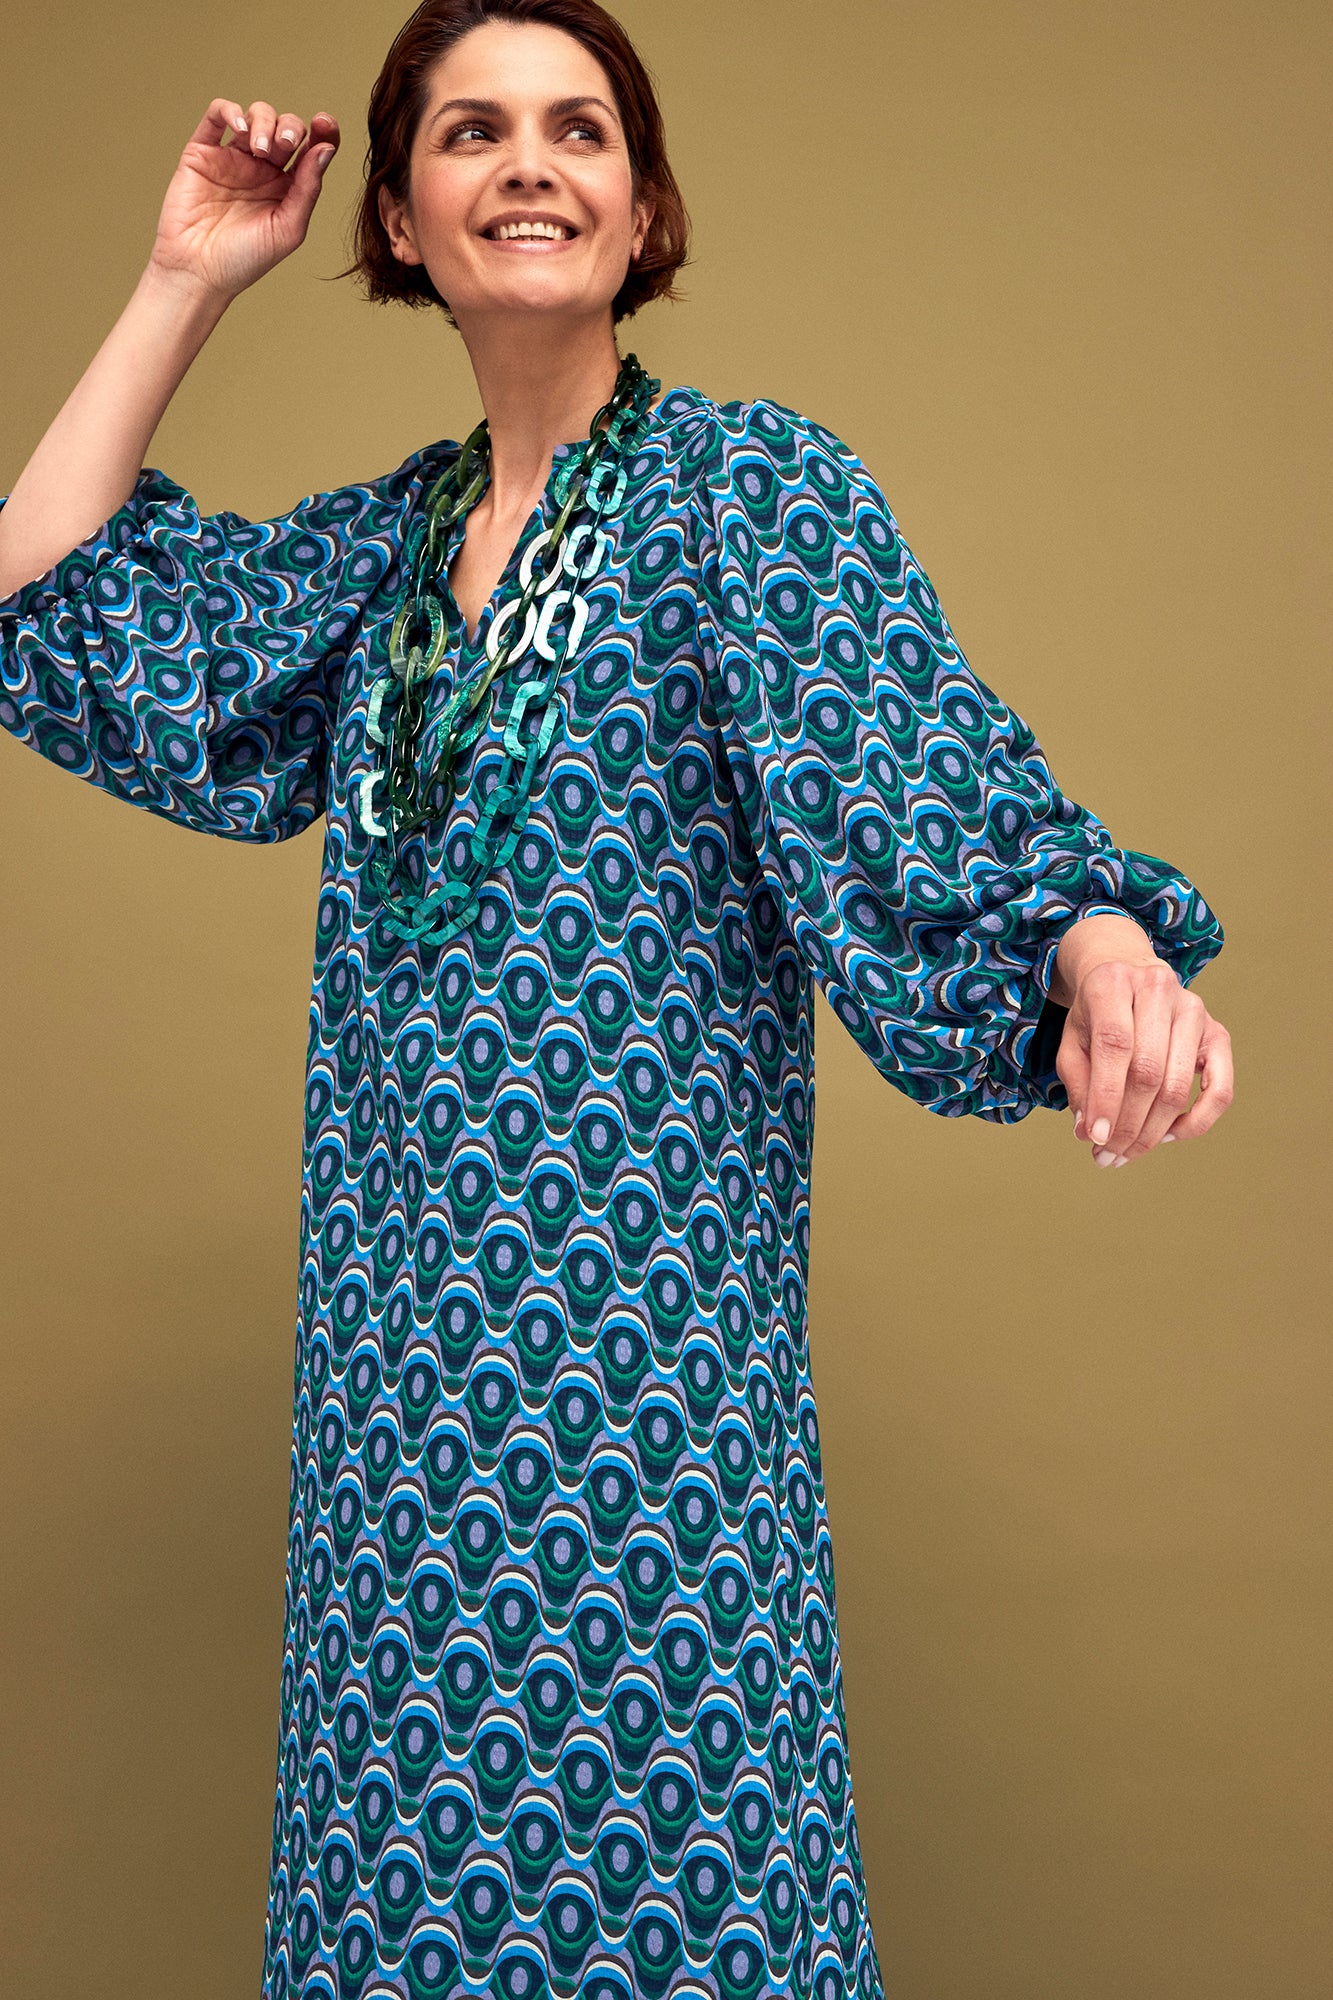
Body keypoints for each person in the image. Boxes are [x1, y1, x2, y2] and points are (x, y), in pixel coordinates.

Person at [0, 1, 1234, 1994]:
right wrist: (184, 275)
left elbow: (923, 773)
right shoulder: (382, 556)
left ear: (642, 206)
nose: (528, 165)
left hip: (651, 1408)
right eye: (469, 131)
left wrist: (1097, 944)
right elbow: (47, 595)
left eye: (579, 129)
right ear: (396, 218)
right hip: (401, 1425)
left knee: (694, 1902)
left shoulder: (746, 497)